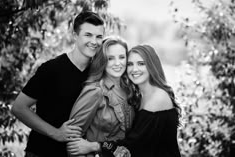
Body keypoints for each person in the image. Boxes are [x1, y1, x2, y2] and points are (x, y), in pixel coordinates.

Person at [11, 11, 105, 157]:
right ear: (75, 35)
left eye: (99, 37)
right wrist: (56, 133)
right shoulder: (52, 69)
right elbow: (19, 108)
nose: (94, 41)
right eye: (88, 35)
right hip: (41, 151)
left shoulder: (96, 74)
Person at [67, 45, 182, 157]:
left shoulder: (158, 98)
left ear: (152, 66)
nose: (134, 69)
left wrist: (95, 146)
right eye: (130, 64)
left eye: (141, 64)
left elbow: (134, 146)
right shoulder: (139, 95)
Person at [67, 36, 135, 157]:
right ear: (102, 61)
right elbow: (73, 139)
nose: (118, 63)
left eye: (122, 57)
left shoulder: (130, 90)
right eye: (110, 58)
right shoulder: (95, 91)